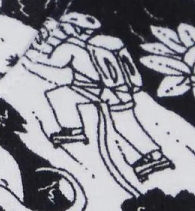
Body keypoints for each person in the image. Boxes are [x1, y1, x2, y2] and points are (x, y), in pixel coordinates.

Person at [28, 11, 172, 183]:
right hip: (112, 89)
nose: (62, 30)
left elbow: (53, 63)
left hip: (106, 92)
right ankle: (74, 130)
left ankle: (155, 156)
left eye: (65, 27)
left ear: (76, 29)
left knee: (124, 125)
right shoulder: (100, 45)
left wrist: (37, 51)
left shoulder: (71, 47)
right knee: (60, 94)